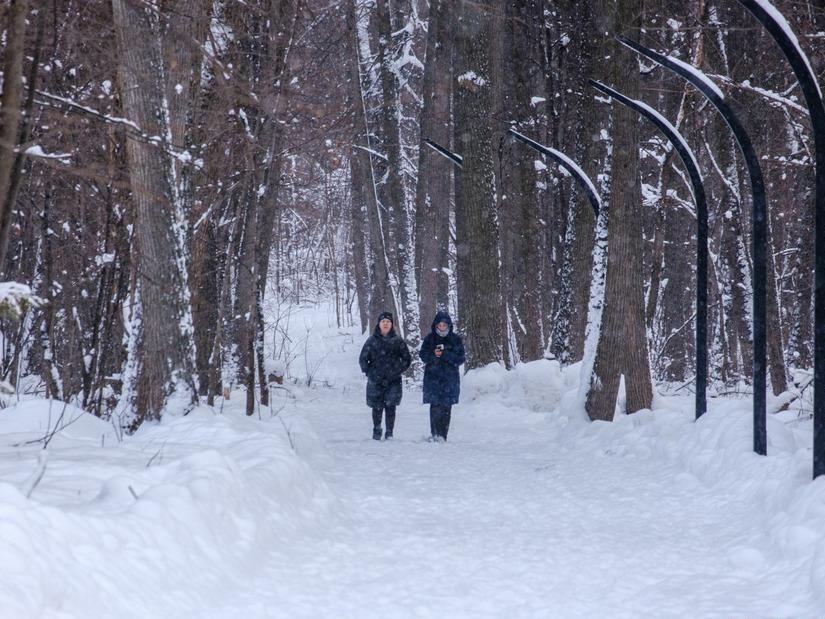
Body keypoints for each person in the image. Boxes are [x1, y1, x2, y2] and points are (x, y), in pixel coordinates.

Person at [359, 311, 411, 440]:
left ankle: (389, 433)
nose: (386, 324)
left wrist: (397, 370)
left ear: (392, 324)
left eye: (388, 321)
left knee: (391, 407)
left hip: (393, 380)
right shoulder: (371, 341)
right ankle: (377, 430)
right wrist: (369, 372)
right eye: (383, 321)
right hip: (375, 380)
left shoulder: (398, 341)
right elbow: (363, 359)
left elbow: (407, 359)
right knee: (376, 407)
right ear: (379, 324)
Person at [419, 310, 465, 441]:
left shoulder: (455, 339)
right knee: (434, 407)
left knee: (446, 407)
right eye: (440, 325)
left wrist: (445, 355)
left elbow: (460, 358)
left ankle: (443, 435)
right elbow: (423, 355)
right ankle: (435, 434)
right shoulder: (430, 339)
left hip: (449, 379)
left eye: (445, 325)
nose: (442, 327)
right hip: (432, 378)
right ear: (436, 325)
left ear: (449, 325)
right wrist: (433, 355)